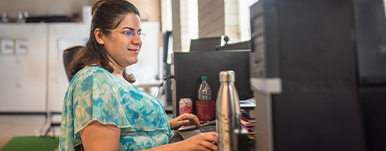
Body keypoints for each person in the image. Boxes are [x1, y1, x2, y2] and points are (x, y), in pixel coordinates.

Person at [59, 0, 218, 151]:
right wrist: (184, 146)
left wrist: (165, 124)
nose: (138, 41)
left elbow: (124, 130)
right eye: (128, 32)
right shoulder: (95, 82)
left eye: (139, 33)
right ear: (100, 36)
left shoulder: (112, 78)